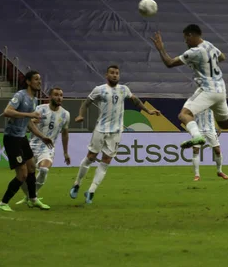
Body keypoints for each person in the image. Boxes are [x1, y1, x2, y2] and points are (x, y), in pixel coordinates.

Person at [150, 25, 228, 150]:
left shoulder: (194, 52)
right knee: (225, 123)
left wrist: (161, 49)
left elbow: (170, 63)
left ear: (191, 35)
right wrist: (208, 62)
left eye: (186, 39)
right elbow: (222, 57)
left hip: (208, 89)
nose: (185, 42)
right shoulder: (209, 45)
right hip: (220, 89)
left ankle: (197, 136)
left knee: (184, 115)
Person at [69, 65, 161, 204]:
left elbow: (135, 100)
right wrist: (80, 115)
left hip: (116, 131)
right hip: (101, 129)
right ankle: (77, 183)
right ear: (107, 75)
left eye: (117, 73)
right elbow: (86, 103)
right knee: (91, 157)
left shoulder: (124, 89)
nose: (115, 75)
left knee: (106, 161)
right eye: (112, 73)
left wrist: (148, 111)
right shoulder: (99, 89)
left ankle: (91, 191)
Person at [0, 71, 52, 212]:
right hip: (12, 139)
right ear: (28, 82)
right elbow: (8, 111)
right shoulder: (20, 95)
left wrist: (42, 136)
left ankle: (33, 199)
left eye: (40, 79)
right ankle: (3, 203)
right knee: (22, 174)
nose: (39, 82)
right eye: (36, 79)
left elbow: (28, 122)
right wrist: (29, 114)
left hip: (22, 138)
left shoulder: (34, 100)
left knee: (31, 168)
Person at [17, 87, 71, 205]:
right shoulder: (40, 109)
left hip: (48, 148)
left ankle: (32, 196)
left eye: (61, 95)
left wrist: (65, 152)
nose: (59, 97)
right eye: (56, 95)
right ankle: (30, 197)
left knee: (44, 170)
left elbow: (65, 134)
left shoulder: (65, 114)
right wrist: (32, 121)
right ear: (50, 97)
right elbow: (27, 123)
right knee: (23, 175)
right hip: (32, 145)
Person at [190, 108, 228, 181]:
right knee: (195, 150)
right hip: (198, 130)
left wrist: (220, 127)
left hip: (211, 130)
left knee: (217, 150)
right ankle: (197, 175)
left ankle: (219, 171)